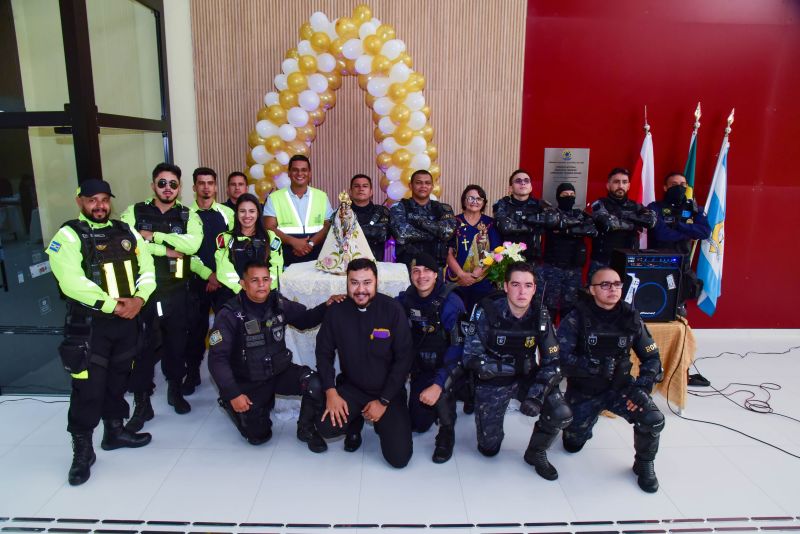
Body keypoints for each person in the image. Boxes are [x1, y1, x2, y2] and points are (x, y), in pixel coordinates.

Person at [46, 179, 156, 486]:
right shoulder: (67, 236)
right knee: (88, 389)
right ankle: (82, 452)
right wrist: (113, 306)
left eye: (104, 199)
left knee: (119, 378)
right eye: (92, 200)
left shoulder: (125, 231)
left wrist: (140, 299)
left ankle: (115, 431)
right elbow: (71, 282)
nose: (100, 206)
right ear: (79, 201)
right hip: (90, 326)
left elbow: (146, 267)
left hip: (127, 321)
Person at [207, 260, 341, 447]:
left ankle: (306, 429)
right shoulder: (229, 315)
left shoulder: (278, 303)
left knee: (316, 384)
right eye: (254, 280)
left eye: (265, 279)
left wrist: (327, 305)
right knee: (259, 436)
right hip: (249, 380)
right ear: (243, 284)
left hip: (279, 371)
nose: (262, 285)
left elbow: (305, 319)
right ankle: (231, 405)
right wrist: (233, 393)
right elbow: (217, 360)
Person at [558, 267, 665, 493]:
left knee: (653, 419)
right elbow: (560, 359)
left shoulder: (630, 317)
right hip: (584, 390)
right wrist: (594, 366)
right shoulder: (576, 318)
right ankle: (580, 429)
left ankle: (644, 463)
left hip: (620, 388)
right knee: (572, 445)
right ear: (592, 290)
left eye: (617, 284)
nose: (613, 289)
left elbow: (652, 358)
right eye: (605, 285)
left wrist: (642, 388)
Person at [462, 262, 572, 480]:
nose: (522, 292)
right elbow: (470, 357)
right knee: (488, 449)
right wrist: (499, 369)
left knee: (560, 413)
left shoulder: (541, 316)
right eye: (516, 285)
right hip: (493, 379)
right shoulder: (487, 310)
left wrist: (537, 396)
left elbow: (553, 362)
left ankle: (536, 453)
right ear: (505, 286)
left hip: (527, 377)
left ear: (534, 288)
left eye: (528, 285)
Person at [121, 162, 203, 430]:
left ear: (179, 188)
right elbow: (128, 243)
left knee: (176, 344)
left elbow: (192, 244)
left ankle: (175, 390)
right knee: (143, 348)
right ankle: (142, 403)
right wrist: (165, 250)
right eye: (162, 183)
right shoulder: (134, 211)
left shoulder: (188, 214)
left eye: (173, 184)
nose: (167, 188)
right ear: (153, 185)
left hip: (177, 290)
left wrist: (152, 237)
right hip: (145, 291)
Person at [313, 258, 414, 468]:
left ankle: (381, 421)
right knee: (325, 426)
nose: (360, 289)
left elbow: (404, 359)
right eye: (354, 282)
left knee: (399, 458)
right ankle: (355, 422)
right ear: (347, 283)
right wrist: (331, 392)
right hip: (352, 388)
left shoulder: (392, 310)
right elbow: (323, 353)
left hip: (388, 391)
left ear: (376, 281)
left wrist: (384, 401)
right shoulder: (336, 311)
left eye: (367, 282)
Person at [396, 253, 466, 463]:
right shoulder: (406, 299)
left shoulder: (451, 302)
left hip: (449, 368)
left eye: (427, 271)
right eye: (416, 271)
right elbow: (382, 309)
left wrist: (438, 384)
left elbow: (460, 348)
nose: (421, 276)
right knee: (418, 423)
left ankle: (446, 432)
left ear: (437, 274)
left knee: (442, 393)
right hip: (422, 368)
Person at [648, 171, 712, 387]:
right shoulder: (655, 207)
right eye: (674, 184)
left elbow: (704, 231)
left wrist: (679, 225)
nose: (679, 187)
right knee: (654, 319)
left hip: (682, 271)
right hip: (658, 271)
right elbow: (661, 235)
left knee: (680, 320)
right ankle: (651, 367)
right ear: (665, 187)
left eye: (682, 184)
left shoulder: (693, 208)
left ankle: (680, 369)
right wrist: (687, 230)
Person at [185, 167, 234, 396]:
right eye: (201, 183)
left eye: (210, 183)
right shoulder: (185, 215)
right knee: (196, 330)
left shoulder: (226, 213)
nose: (206, 187)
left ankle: (230, 372)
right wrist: (207, 275)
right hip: (196, 282)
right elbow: (185, 252)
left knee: (225, 330)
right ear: (194, 187)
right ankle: (193, 372)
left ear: (216, 187)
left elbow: (233, 247)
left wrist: (218, 277)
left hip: (223, 283)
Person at [540, 183, 597, 321]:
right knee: (549, 307)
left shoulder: (581, 214)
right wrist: (576, 227)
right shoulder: (551, 214)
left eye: (572, 195)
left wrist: (564, 229)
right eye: (565, 195)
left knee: (571, 308)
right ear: (558, 197)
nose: (569, 198)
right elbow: (553, 223)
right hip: (553, 269)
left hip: (574, 270)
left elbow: (592, 230)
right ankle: (549, 338)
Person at [263, 155, 333, 266]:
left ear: (310, 174)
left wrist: (310, 244)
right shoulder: (274, 198)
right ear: (289, 173)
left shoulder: (321, 196)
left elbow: (328, 225)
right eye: (295, 170)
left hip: (316, 261)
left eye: (304, 170)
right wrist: (294, 242)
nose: (300, 174)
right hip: (285, 262)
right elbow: (268, 227)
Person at [215, 194, 284, 303]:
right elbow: (224, 271)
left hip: (265, 297)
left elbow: (277, 268)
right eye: (242, 211)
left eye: (252, 211)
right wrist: (243, 292)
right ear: (237, 214)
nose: (247, 215)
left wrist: (263, 290)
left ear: (258, 213)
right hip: (234, 298)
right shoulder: (225, 238)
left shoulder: (271, 238)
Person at [589, 168, 657, 274]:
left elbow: (651, 221)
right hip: (603, 262)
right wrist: (634, 225)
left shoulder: (635, 206)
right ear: (608, 185)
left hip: (628, 261)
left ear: (628, 186)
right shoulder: (599, 204)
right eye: (616, 182)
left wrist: (623, 218)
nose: (620, 186)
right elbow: (610, 224)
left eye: (624, 182)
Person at [446, 184, 502, 312]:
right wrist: (461, 274)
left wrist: (478, 272)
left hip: (483, 280)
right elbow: (448, 252)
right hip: (456, 280)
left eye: (479, 199)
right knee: (455, 314)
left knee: (480, 315)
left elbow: (495, 251)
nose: (474, 202)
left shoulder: (490, 224)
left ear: (483, 203)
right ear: (464, 201)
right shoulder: (454, 222)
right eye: (470, 198)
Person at [389, 170, 456, 270]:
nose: (423, 186)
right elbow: (402, 234)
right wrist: (434, 233)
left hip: (436, 268)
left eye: (427, 183)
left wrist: (418, 222)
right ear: (410, 186)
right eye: (418, 182)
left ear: (432, 187)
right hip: (407, 267)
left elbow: (447, 232)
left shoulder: (443, 208)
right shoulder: (399, 207)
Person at [493, 169, 559, 264]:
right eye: (518, 181)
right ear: (510, 188)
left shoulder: (541, 205)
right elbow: (505, 227)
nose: (523, 183)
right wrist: (534, 224)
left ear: (531, 187)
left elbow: (553, 221)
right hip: (508, 259)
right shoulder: (502, 204)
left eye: (526, 181)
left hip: (533, 260)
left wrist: (518, 222)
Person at [349, 174, 390, 261]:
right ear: (350, 192)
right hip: (348, 263)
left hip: (375, 263)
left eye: (365, 186)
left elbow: (384, 235)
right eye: (356, 186)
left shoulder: (382, 212)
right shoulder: (342, 213)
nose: (361, 189)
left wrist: (352, 232)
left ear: (371, 191)